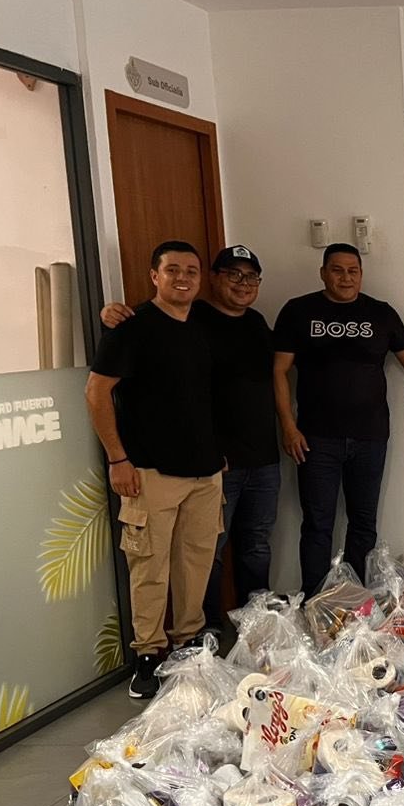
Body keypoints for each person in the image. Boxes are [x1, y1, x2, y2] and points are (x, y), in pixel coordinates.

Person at [100, 245, 280, 631]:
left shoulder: (245, 324)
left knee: (232, 551)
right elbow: (102, 385)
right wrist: (109, 313)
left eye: (250, 277)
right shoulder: (171, 320)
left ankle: (229, 632)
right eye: (232, 274)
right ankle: (179, 639)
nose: (242, 283)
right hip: (180, 463)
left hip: (239, 461)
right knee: (180, 559)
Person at [85, 241, 223, 699]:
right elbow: (97, 394)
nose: (182, 277)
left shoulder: (203, 324)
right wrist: (117, 459)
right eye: (172, 270)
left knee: (195, 560)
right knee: (149, 566)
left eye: (191, 270)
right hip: (150, 473)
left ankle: (187, 640)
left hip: (205, 472)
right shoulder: (130, 329)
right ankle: (148, 653)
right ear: (154, 276)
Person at [273, 243, 404, 596]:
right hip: (315, 438)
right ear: (323, 273)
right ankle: (314, 602)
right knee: (317, 525)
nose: (345, 277)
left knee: (363, 525)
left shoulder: (381, 313)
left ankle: (358, 599)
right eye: (337, 270)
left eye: (352, 270)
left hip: (370, 437)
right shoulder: (299, 311)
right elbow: (279, 371)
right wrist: (287, 424)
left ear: (361, 274)